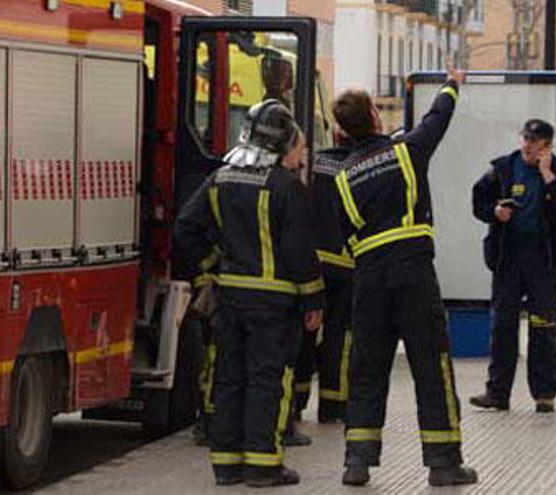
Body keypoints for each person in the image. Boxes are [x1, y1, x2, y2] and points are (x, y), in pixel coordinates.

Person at [331, 59, 477, 487]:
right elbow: (438, 118)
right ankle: (443, 463)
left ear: (342, 131)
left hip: (370, 280)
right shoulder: (407, 151)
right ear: (376, 115)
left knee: (367, 370)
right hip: (413, 274)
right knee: (431, 366)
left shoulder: (343, 177)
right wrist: (453, 83)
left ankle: (356, 463)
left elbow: (346, 236)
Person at [174, 99, 324, 487]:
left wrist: (208, 270)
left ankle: (226, 465)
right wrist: (313, 300)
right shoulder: (285, 187)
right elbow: (298, 252)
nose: (300, 155)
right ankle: (262, 465)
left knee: (229, 378)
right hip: (274, 303)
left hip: (230, 299)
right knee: (267, 380)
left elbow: (185, 231)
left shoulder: (219, 179)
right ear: (282, 143)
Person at [469, 119, 556, 414]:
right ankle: (497, 392)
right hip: (509, 257)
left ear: (547, 147)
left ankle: (544, 394)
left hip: (542, 260)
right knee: (503, 325)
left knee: (543, 328)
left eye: (536, 142)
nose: (528, 146)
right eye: (526, 139)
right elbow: (478, 199)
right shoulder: (504, 169)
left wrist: (548, 176)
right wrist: (495, 212)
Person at [289, 129, 356, 426]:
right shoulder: (362, 166)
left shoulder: (315, 164)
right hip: (347, 264)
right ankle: (333, 404)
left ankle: (296, 400)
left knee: (304, 331)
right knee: (340, 336)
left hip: (313, 261)